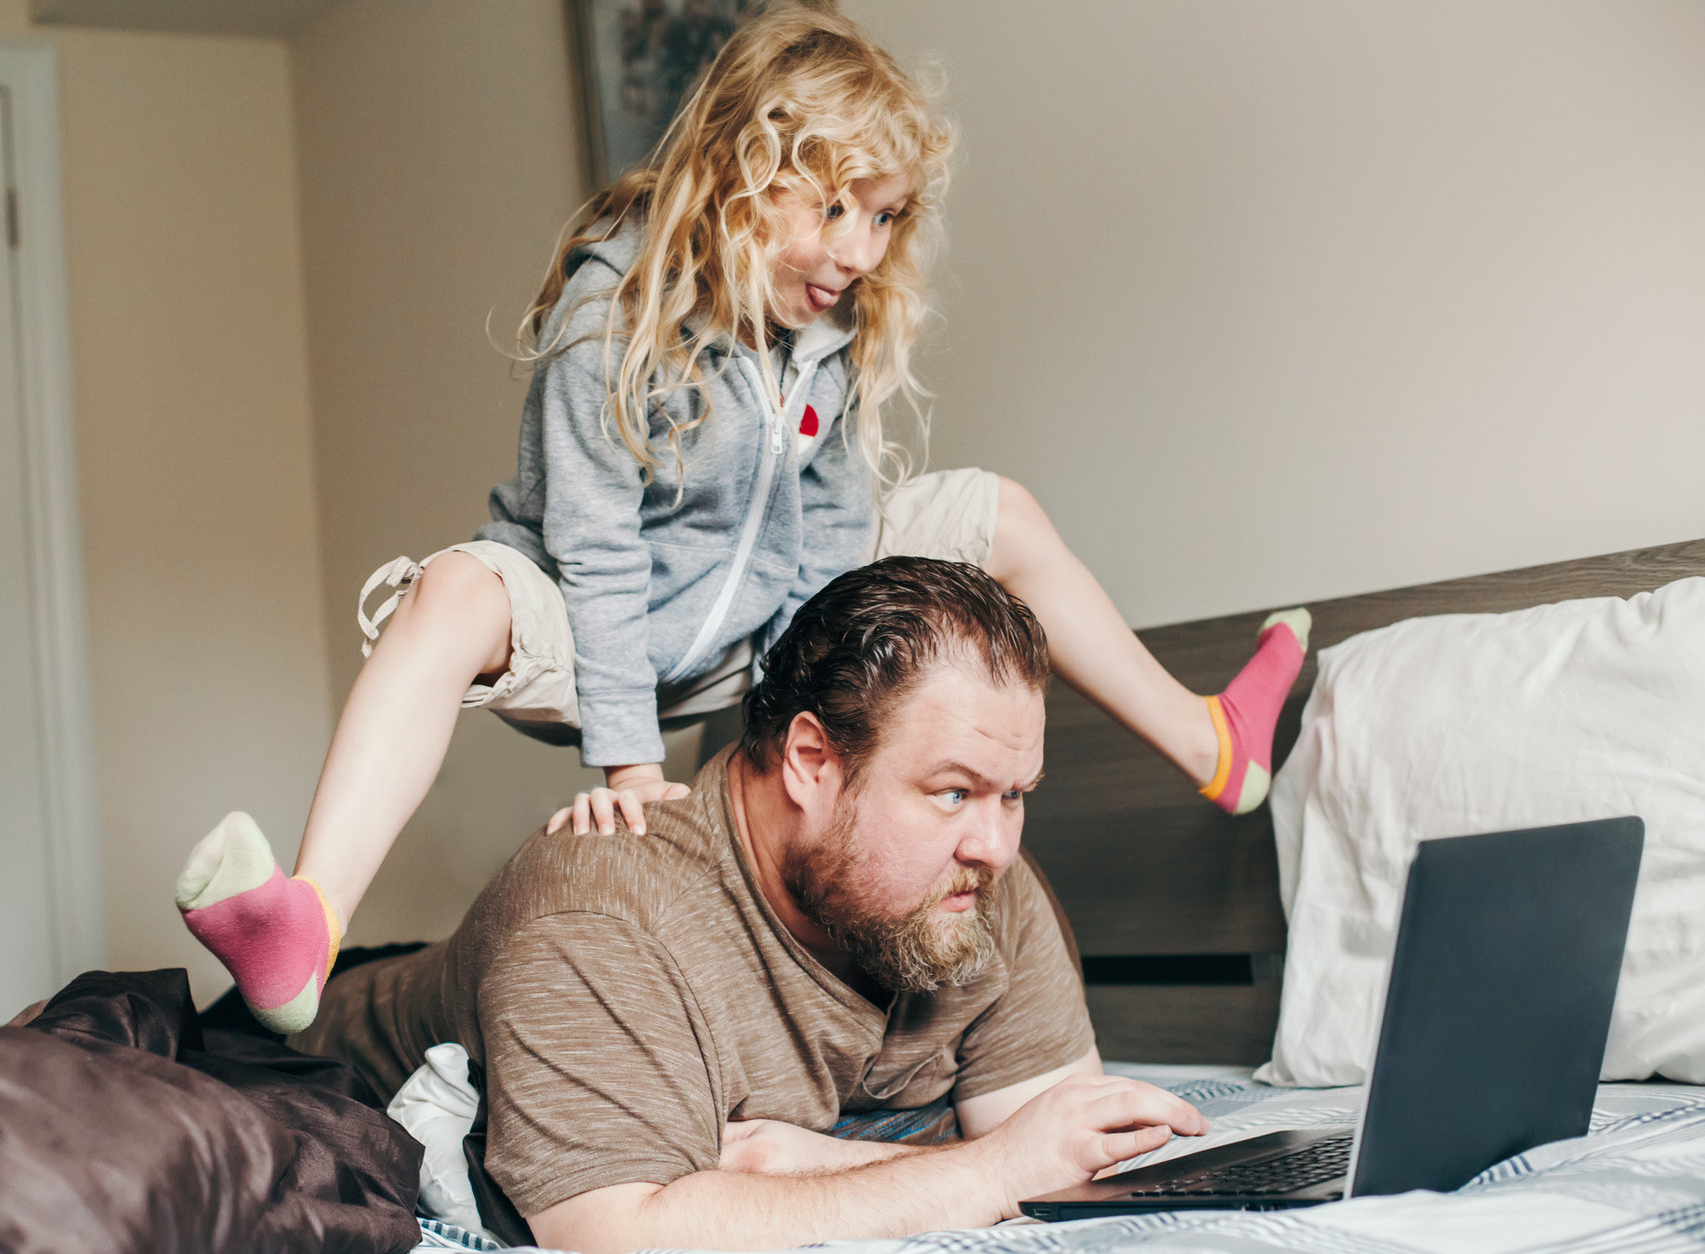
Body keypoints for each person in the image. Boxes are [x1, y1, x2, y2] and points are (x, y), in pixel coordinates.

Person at [174, 7, 1310, 1035]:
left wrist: (790, 703)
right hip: (585, 625)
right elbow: (597, 539)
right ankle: (309, 923)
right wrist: (628, 761)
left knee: (997, 513)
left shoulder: (826, 328)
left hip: (746, 626)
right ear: (737, 173)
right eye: (833, 209)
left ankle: (1212, 742)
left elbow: (828, 518)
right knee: (448, 594)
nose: (862, 251)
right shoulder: (608, 313)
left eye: (884, 216)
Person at [292, 556, 1210, 1251]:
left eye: (1016, 794)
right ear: (813, 762)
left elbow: (1059, 1147)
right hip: (320, 1043)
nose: (997, 844)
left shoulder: (974, 880)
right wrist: (985, 1168)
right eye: (952, 791)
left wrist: (812, 1164)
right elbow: (613, 1231)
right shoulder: (600, 920)